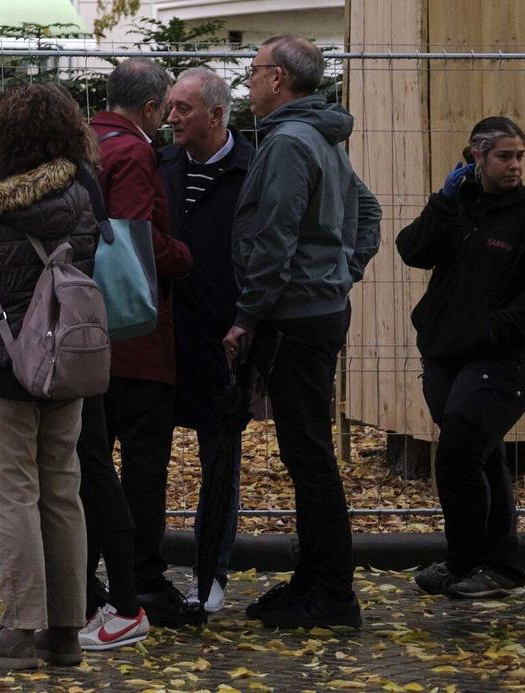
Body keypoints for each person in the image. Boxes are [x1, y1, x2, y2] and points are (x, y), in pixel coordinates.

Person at [0, 83, 102, 673]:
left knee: (13, 496)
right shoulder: (84, 195)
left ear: (5, 137)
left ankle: (19, 627)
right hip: (65, 360)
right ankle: (65, 632)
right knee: (62, 492)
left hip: (0, 364)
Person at [226, 34, 380, 630]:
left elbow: (276, 236)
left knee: (309, 456)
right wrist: (342, 273)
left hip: (294, 317)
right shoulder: (320, 136)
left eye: (255, 68)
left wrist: (247, 315)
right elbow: (367, 212)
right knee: (307, 451)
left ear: (280, 79)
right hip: (316, 309)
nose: (248, 79)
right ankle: (316, 581)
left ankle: (333, 595)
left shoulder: (292, 141)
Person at [398, 116, 525, 600]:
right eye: (504, 156)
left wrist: (491, 331)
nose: (515, 165)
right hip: (446, 351)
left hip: (505, 356)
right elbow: (413, 250)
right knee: (481, 453)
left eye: (520, 155)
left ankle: (464, 563)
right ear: (476, 156)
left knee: (461, 449)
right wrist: (443, 201)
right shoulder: (459, 205)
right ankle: (497, 566)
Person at [88, 60, 196, 632]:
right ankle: (142, 583)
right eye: (167, 109)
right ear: (151, 108)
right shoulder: (132, 152)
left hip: (86, 340)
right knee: (142, 472)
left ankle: (83, 584)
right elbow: (131, 241)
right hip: (136, 339)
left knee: (88, 467)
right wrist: (182, 255)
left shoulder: (88, 143)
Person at [159, 66, 252, 613]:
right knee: (150, 457)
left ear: (217, 115)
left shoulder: (253, 168)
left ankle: (211, 575)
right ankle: (144, 571)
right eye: (170, 106)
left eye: (183, 109)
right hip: (162, 336)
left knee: (220, 462)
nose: (170, 117)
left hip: (224, 340)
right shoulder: (161, 163)